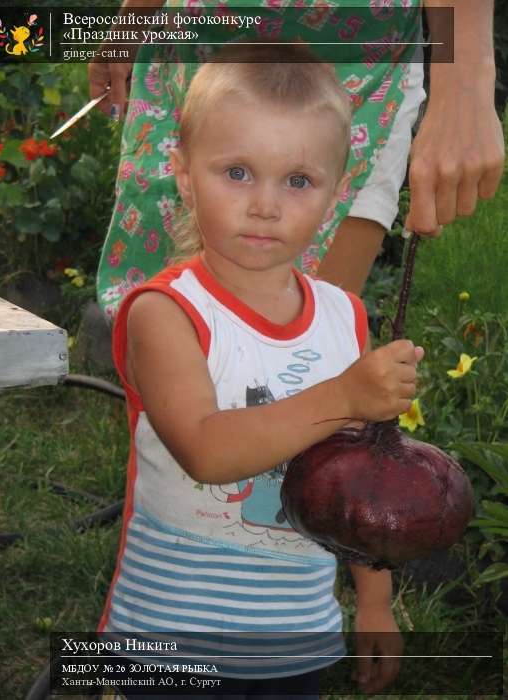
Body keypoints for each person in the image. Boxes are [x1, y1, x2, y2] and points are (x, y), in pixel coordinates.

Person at [97, 44, 424, 700]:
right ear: (184, 175)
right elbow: (207, 450)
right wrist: (341, 396)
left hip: (295, 635)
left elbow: (364, 475)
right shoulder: (165, 313)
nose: (266, 205)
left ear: (335, 192)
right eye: (237, 172)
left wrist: (373, 602)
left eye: (297, 180)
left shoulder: (344, 318)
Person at [89, 1, 504, 318]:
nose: (265, 207)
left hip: (357, 66)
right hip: (201, 50)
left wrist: (464, 79)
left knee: (303, 338)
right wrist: (135, 15)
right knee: (173, 323)